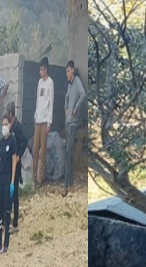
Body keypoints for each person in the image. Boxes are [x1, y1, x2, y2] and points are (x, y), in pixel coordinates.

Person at [0, 114, 20, 254]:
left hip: (8, 177)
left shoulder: (12, 140)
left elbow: (13, 161)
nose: (4, 126)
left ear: (9, 125)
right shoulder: (1, 142)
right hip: (1, 178)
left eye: (6, 124)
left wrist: (12, 181)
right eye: (2, 124)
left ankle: (6, 244)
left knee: (7, 212)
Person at [63, 61, 87, 197]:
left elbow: (83, 95)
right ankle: (67, 185)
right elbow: (66, 97)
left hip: (73, 123)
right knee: (67, 154)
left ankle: (69, 184)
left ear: (72, 70)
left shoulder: (77, 81)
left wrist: (76, 108)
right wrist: (66, 108)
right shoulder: (69, 84)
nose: (66, 74)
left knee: (68, 152)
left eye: (68, 71)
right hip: (67, 122)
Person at [33, 56, 54, 187]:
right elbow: (37, 101)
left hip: (45, 120)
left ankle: (41, 177)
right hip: (38, 119)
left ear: (45, 69)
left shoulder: (50, 83)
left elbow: (50, 102)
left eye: (41, 69)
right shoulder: (39, 82)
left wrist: (49, 122)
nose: (40, 72)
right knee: (35, 149)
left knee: (42, 150)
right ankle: (34, 177)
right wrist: (35, 116)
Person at [6, 102, 27, 230]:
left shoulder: (18, 127)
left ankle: (15, 222)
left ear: (10, 114)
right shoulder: (10, 127)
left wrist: (19, 155)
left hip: (16, 163)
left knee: (15, 194)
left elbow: (24, 141)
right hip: (9, 163)